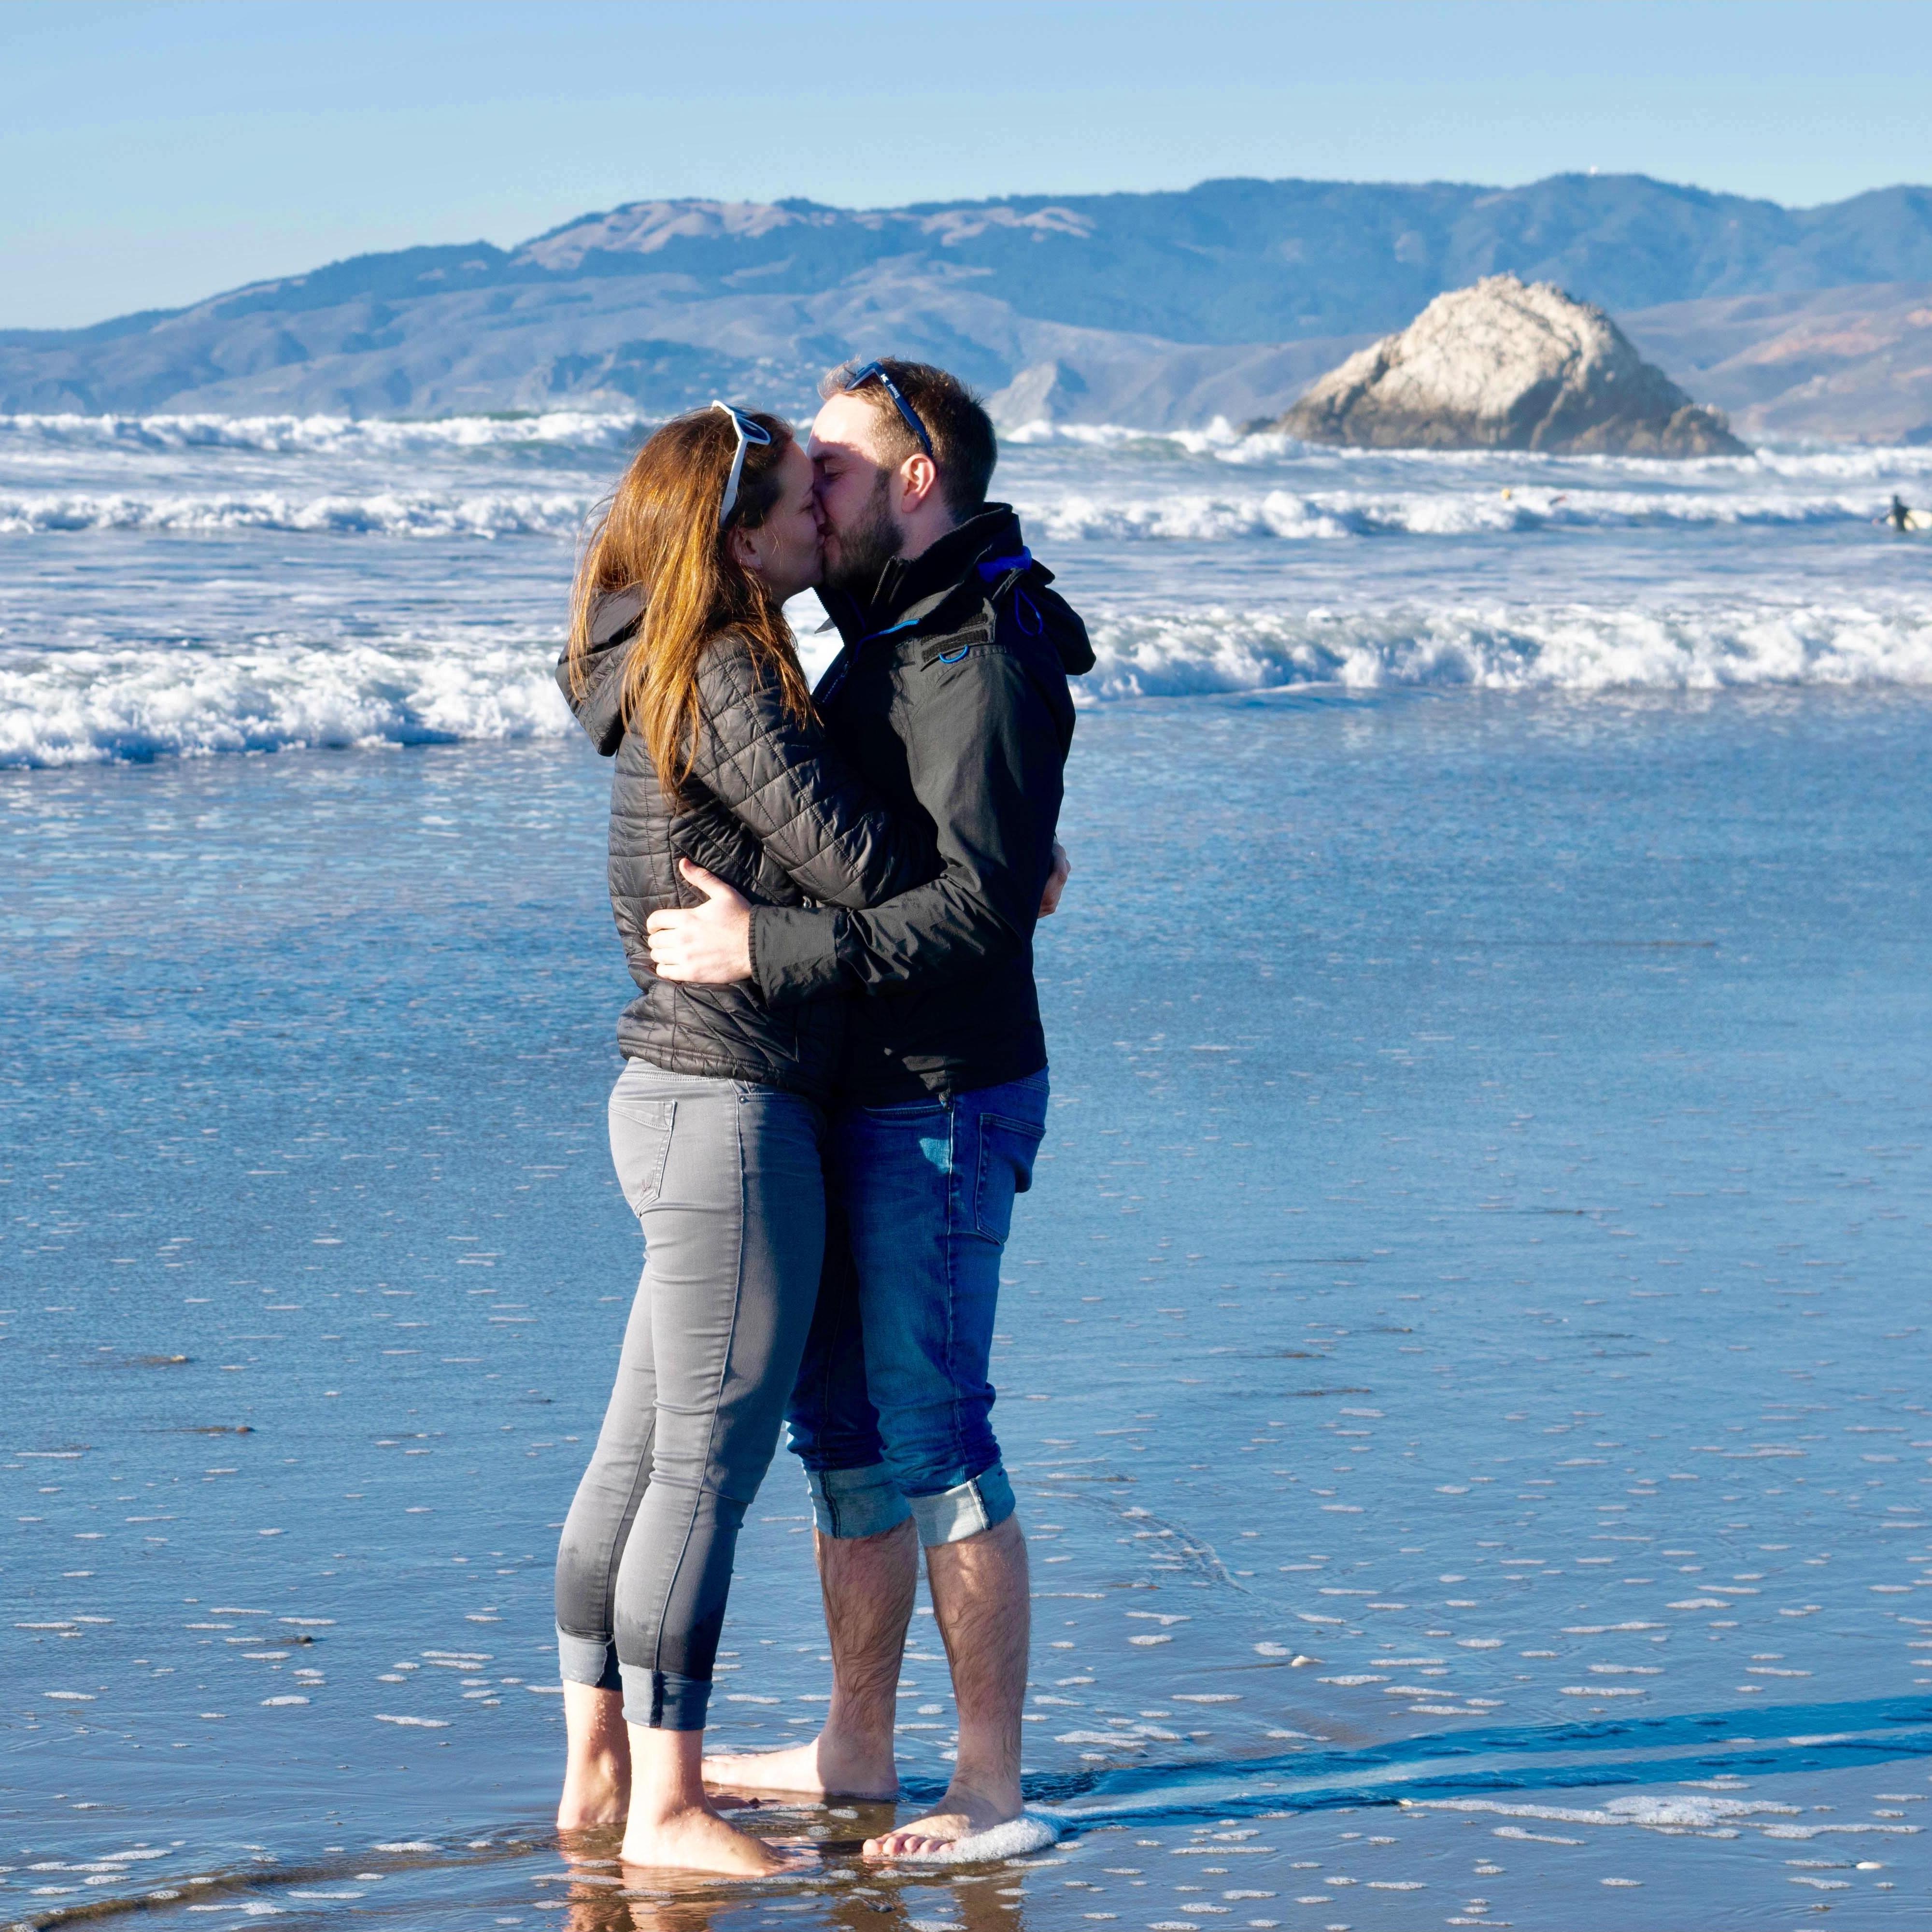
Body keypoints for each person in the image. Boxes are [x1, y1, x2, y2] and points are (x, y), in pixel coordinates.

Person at [644, 358, 1094, 1857]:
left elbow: (976, 916)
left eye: (829, 467)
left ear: (914, 481)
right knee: (841, 1433)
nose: (801, 490)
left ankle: (988, 1787)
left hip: (945, 1103)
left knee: (936, 1432)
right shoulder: (892, 636)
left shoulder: (980, 650)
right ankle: (852, 1747)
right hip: (856, 1085)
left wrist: (756, 949)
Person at [549, 402, 938, 1875]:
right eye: (795, 511)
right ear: (735, 536)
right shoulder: (724, 670)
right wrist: (1005, 860)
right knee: (702, 1469)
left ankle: (598, 1781)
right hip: (727, 1100)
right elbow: (874, 865)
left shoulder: (669, 659)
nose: (818, 528)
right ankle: (666, 1810)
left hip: (673, 1093)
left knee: (637, 1458)